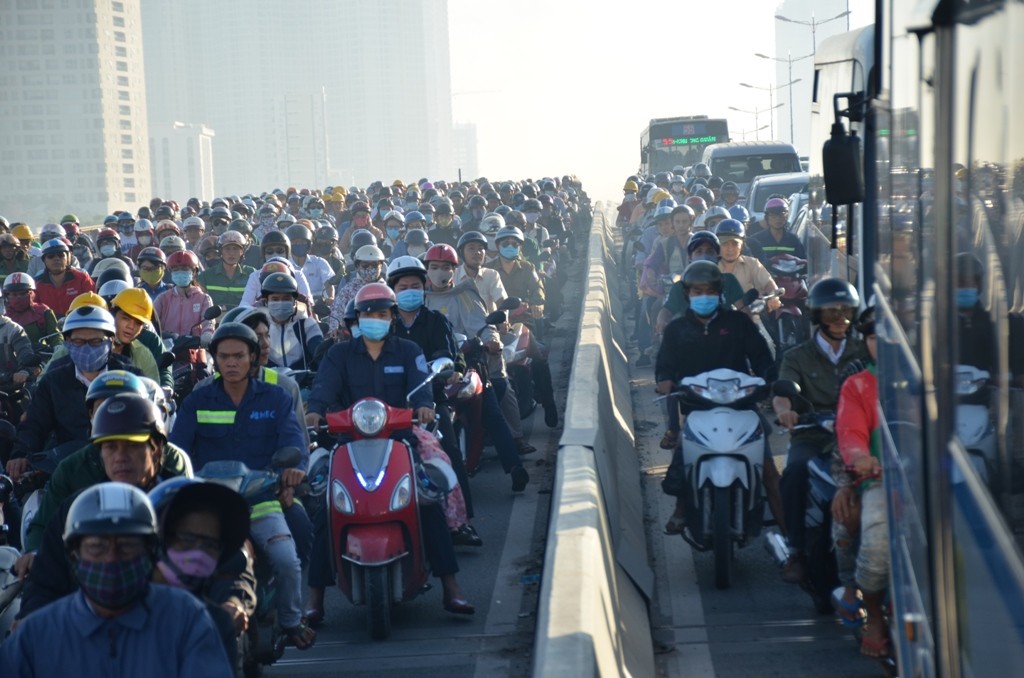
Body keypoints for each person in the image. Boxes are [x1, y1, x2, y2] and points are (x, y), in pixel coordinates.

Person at [304, 283, 476, 615]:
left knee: (427, 502)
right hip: (349, 442)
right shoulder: (338, 354)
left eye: (382, 314)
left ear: (392, 317)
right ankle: (315, 598)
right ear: (357, 318)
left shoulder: (408, 351)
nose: (375, 320)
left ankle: (451, 588)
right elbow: (323, 389)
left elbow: (420, 386)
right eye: (368, 314)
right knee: (324, 508)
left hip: (400, 440)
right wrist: (315, 410)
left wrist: (424, 406)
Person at [170, 322, 315, 649]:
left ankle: (291, 620)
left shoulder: (276, 397)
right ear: (215, 360)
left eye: (238, 356)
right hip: (209, 506)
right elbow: (176, 450)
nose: (231, 363)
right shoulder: (197, 400)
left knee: (287, 560)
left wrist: (294, 471)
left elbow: (295, 443)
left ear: (253, 358)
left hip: (261, 500)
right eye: (224, 357)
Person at [0, 482, 232, 677]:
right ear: (73, 555)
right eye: (97, 547)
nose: (111, 559)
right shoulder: (36, 635)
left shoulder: (187, 620)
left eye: (127, 546)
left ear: (150, 553)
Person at [15, 392, 191, 618]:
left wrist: (233, 601)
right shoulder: (76, 510)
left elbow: (225, 570)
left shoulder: (186, 504)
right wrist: (28, 619)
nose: (120, 457)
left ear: (155, 448)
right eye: (110, 448)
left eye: (131, 446)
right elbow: (45, 582)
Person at [657, 261, 784, 533]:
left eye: (709, 290)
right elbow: (664, 363)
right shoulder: (677, 329)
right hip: (697, 406)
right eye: (697, 291)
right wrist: (664, 380)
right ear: (688, 294)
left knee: (770, 472)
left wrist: (769, 382)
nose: (704, 296)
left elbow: (761, 356)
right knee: (683, 451)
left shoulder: (738, 322)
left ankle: (793, 544)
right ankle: (681, 509)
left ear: (720, 292)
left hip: (742, 404)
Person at [772, 278, 868, 584]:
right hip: (813, 435)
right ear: (816, 316)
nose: (840, 319)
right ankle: (796, 550)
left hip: (859, 437)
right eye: (831, 313)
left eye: (846, 312)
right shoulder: (797, 355)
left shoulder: (865, 351)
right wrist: (785, 411)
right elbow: (782, 392)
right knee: (794, 472)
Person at [5, 306, 143, 481]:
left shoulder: (131, 378)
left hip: (123, 470)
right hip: (67, 472)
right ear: (68, 342)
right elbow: (35, 423)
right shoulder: (53, 382)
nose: (86, 348)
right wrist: (20, 454)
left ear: (111, 340)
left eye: (95, 342)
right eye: (78, 342)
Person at [830, 307, 890, 658]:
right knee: (876, 539)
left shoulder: (932, 379)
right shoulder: (858, 385)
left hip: (932, 481)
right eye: (872, 337)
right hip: (880, 482)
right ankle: (876, 616)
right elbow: (850, 434)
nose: (880, 344)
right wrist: (860, 458)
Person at [148, 477, 255, 670]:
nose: (198, 552)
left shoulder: (217, 623)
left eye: (210, 544)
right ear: (156, 540)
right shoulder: (116, 610)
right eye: (187, 538)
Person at [260, 271, 323, 370]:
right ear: (266, 301)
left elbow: (319, 353)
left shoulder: (307, 324)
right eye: (275, 299)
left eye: (286, 298)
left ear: (294, 301)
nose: (280, 303)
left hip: (304, 381)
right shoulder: (259, 327)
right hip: (270, 381)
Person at [153, 250, 215, 339]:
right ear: (171, 273)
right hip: (167, 347)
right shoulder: (162, 298)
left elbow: (208, 322)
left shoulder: (203, 298)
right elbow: (150, 322)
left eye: (185, 269)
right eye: (176, 270)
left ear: (194, 272)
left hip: (195, 347)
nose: (180, 273)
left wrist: (207, 334)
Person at [32, 238, 96, 318]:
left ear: (68, 258)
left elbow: (94, 304)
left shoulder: (82, 279)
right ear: (44, 260)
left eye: (61, 255)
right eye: (50, 256)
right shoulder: (37, 284)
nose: (56, 259)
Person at [197, 230, 254, 310]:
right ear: (221, 251)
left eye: (235, 249)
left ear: (242, 252)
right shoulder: (205, 277)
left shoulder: (252, 274)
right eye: (227, 249)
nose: (231, 253)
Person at [2, 271, 59, 348]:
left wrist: (58, 349)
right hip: (10, 359)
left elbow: (55, 336)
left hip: (41, 357)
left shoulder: (43, 312)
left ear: (32, 293)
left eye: (22, 293)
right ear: (6, 296)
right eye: (14, 294)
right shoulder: (2, 316)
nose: (18, 298)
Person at [750, 197, 806, 266]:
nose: (778, 219)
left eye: (781, 215)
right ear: (767, 217)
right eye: (773, 216)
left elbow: (802, 262)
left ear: (786, 217)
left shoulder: (793, 240)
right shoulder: (757, 240)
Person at [286, 224, 334, 303]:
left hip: (320, 304)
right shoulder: (285, 265)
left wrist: (331, 297)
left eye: (302, 242)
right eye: (294, 242)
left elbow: (328, 283)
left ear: (309, 244)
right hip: (295, 305)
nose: (298, 244)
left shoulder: (319, 262)